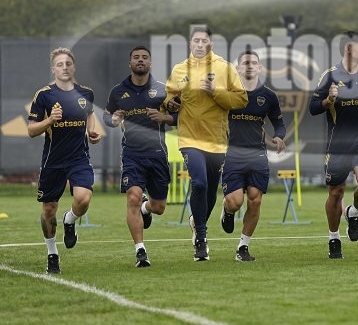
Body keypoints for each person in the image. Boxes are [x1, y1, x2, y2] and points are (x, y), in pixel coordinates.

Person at [165, 26, 248, 261]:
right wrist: (170, 103)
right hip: (189, 137)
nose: (200, 45)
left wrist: (216, 91)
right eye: (196, 41)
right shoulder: (180, 69)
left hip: (216, 140)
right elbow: (169, 97)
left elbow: (241, 99)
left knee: (211, 189)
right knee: (199, 183)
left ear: (211, 43)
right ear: (190, 44)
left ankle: (197, 221)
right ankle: (201, 239)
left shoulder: (225, 68)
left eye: (204, 41)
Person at [27, 47, 102, 274]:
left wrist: (92, 131)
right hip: (53, 161)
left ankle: (70, 220)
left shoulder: (86, 93)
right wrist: (50, 120)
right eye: (60, 64)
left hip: (79, 158)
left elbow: (89, 114)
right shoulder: (44, 95)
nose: (64, 68)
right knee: (49, 210)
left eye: (68, 63)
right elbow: (31, 130)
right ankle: (52, 253)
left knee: (83, 198)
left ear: (74, 67)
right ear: (53, 69)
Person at [309, 31, 358, 259]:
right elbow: (313, 107)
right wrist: (328, 100)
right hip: (338, 145)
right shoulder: (330, 76)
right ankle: (334, 238)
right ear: (349, 49)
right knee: (336, 192)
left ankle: (353, 212)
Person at [104, 45, 175, 267]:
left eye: (145, 57)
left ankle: (147, 208)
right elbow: (107, 116)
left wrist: (164, 118)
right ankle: (140, 251)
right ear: (130, 63)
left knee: (159, 207)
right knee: (133, 197)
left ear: (150, 63)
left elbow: (178, 117)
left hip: (157, 154)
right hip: (132, 154)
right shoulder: (118, 91)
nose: (140, 60)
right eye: (136, 57)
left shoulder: (162, 90)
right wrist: (113, 120)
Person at [220, 50, 286, 262]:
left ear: (259, 68)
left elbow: (279, 123)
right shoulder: (228, 93)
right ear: (238, 67)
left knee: (255, 200)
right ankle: (227, 211)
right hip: (232, 154)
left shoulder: (268, 96)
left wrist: (279, 136)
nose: (249, 66)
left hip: (257, 155)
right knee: (235, 202)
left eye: (254, 63)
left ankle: (243, 246)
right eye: (245, 63)